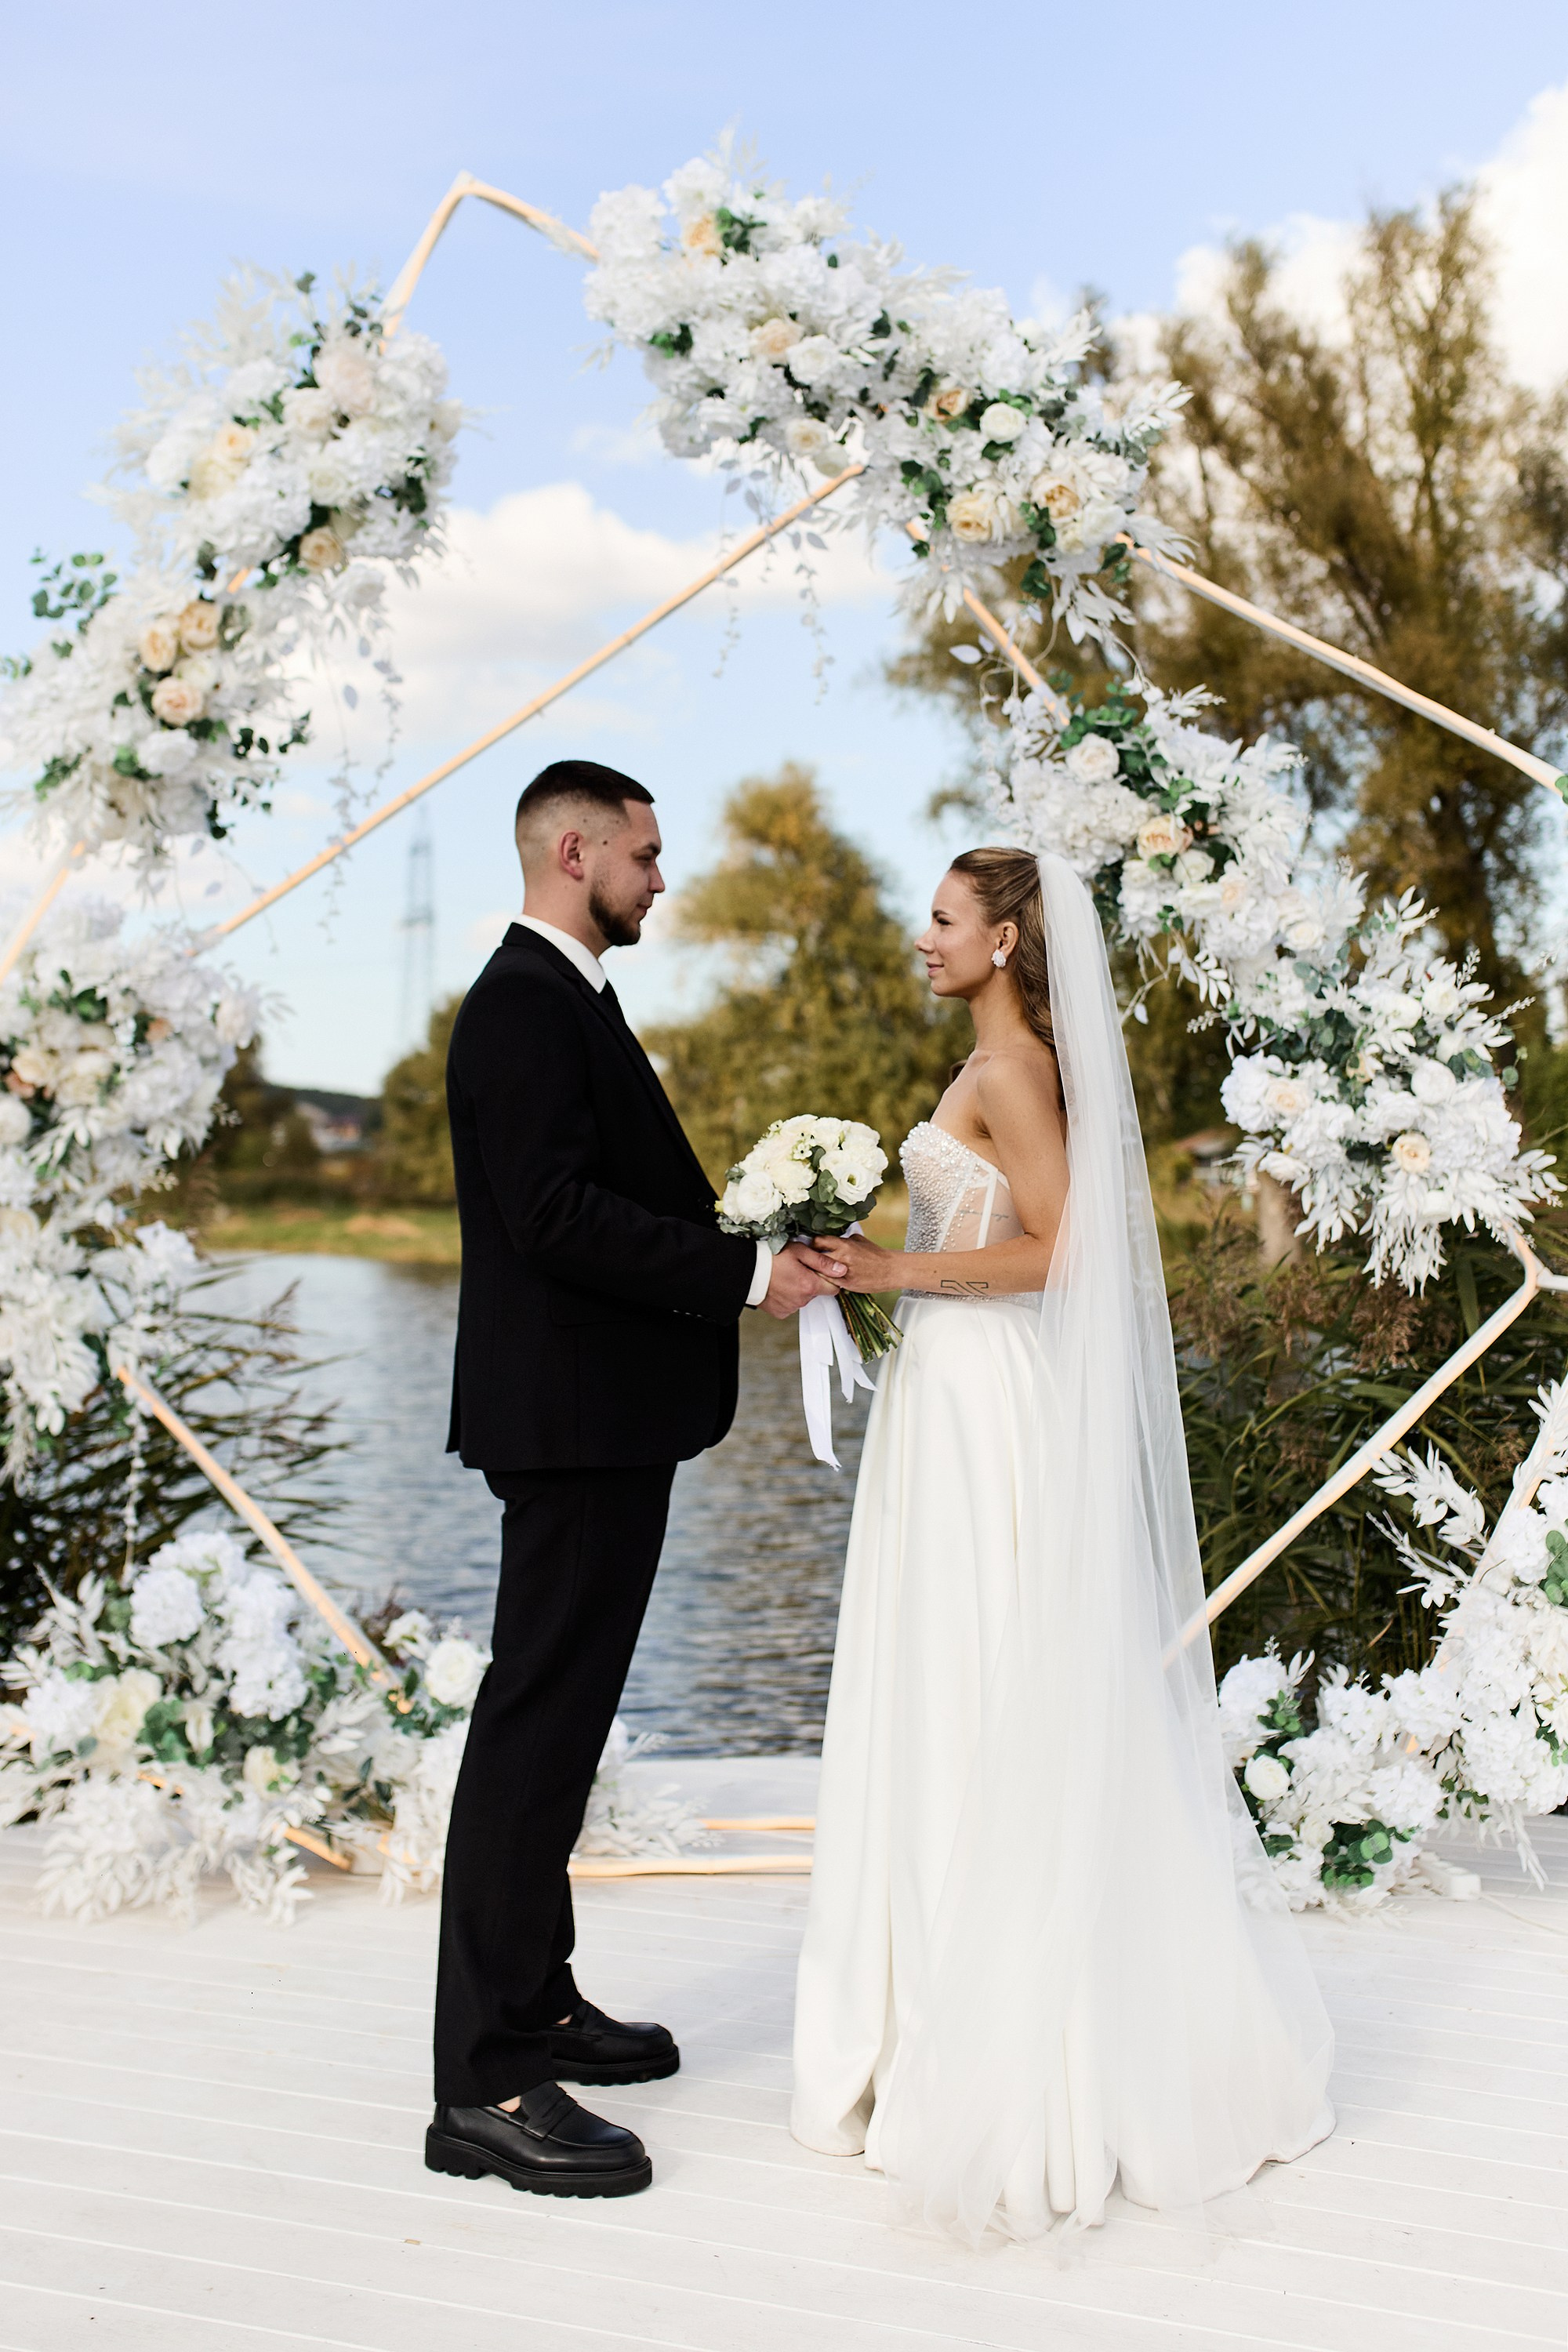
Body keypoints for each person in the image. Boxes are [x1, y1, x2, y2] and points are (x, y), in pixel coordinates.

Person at [791, 848, 1334, 2242]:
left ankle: (1000, 2027)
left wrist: (897, 1270)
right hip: (949, 1399)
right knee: (948, 1687)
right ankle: (928, 2008)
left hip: (986, 1404)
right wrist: (846, 1253)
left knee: (977, 1688)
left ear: (1009, 937)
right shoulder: (987, 1068)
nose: (922, 937)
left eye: (943, 918)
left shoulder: (1016, 1071)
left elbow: (1070, 1250)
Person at [426, 759, 844, 2201]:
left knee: (562, 1725)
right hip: (572, 1424)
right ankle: (482, 2084)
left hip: (602, 1418)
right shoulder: (522, 1007)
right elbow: (551, 1217)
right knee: (533, 1736)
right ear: (574, 848)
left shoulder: (566, 1001)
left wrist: (752, 1224)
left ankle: (538, 2002)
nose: (662, 879)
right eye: (648, 856)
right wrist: (741, 1268)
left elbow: (611, 1191)